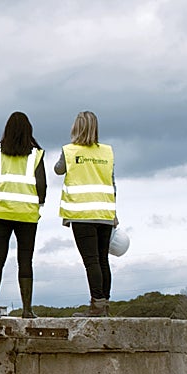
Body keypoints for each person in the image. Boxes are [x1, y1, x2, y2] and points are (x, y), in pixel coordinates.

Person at [0, 111, 46, 318]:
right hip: (26, 215)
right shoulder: (36, 154)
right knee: (25, 260)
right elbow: (42, 185)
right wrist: (39, 205)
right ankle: (27, 310)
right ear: (29, 131)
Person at [55, 110, 116, 316]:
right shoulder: (107, 152)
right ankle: (104, 304)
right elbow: (111, 182)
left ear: (76, 127)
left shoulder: (70, 151)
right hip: (105, 213)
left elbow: (58, 169)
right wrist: (115, 214)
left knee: (91, 261)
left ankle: (96, 306)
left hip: (82, 214)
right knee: (102, 260)